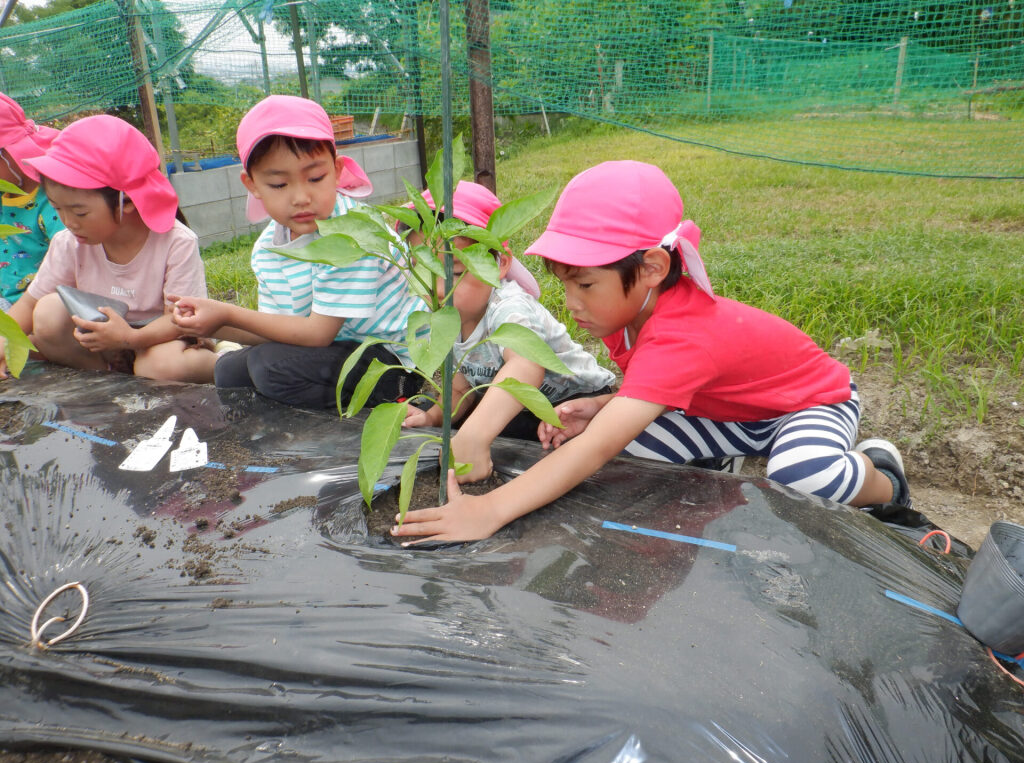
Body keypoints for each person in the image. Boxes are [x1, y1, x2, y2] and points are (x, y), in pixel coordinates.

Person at [390, 160, 911, 544]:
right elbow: (643, 387)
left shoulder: (683, 334)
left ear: (654, 268)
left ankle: (883, 477)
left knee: (802, 476)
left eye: (585, 285)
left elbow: (591, 452)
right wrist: (598, 407)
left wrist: (491, 511)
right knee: (631, 449)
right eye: (564, 283)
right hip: (725, 413)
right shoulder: (625, 312)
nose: (571, 305)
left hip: (807, 403)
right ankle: (722, 458)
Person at [171, 95, 425, 410]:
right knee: (229, 370)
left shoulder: (352, 232)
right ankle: (292, 428)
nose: (301, 197)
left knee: (270, 368)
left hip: (387, 363)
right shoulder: (268, 248)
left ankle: (379, 409)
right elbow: (275, 330)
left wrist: (227, 313)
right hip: (331, 352)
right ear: (253, 185)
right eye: (279, 184)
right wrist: (209, 324)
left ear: (336, 170)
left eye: (316, 178)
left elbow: (317, 334)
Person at [401, 180, 616, 481]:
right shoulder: (443, 319)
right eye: (425, 271)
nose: (439, 290)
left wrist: (474, 437)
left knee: (491, 431)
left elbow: (526, 365)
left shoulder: (508, 305)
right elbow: (461, 389)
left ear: (500, 265)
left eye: (457, 273)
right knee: (468, 421)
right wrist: (431, 416)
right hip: (518, 405)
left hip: (576, 398)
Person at [0, 114, 216, 382]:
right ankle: (109, 381)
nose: (68, 223)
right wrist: (5, 342)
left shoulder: (175, 242)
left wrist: (130, 338)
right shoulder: (68, 243)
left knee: (162, 366)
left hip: (161, 341)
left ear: (126, 201)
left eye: (80, 213)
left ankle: (223, 364)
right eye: (58, 209)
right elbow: (31, 302)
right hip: (104, 348)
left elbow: (179, 320)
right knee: (48, 312)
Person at [0, 92, 64, 311]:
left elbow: (68, 261)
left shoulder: (53, 201)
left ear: (7, 153)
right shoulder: (3, 195)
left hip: (40, 303)